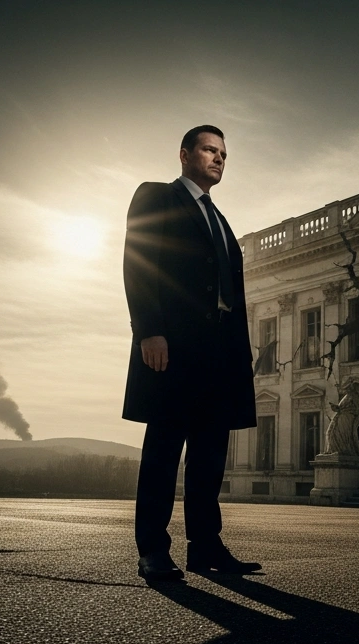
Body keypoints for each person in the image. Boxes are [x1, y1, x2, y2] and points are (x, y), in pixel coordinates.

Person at [121, 125, 261, 581]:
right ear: (184, 154)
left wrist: (240, 355)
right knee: (164, 449)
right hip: (174, 345)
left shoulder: (219, 219)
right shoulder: (157, 195)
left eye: (223, 153)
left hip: (219, 352)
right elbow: (138, 259)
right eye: (209, 149)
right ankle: (152, 550)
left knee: (209, 455)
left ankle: (205, 546)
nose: (219, 159)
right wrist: (150, 330)